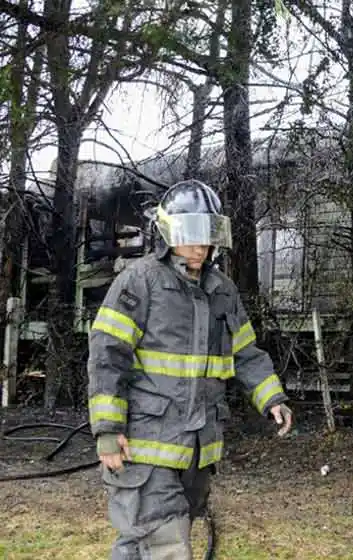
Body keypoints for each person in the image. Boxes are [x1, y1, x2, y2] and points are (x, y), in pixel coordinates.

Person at [87, 179, 293, 559]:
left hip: (199, 447)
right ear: (167, 234)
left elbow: (245, 352)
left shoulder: (223, 290)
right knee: (166, 543)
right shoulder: (140, 282)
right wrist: (107, 430)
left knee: (140, 539)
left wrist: (271, 399)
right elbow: (107, 356)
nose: (200, 246)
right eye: (190, 236)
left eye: (207, 236)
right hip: (146, 443)